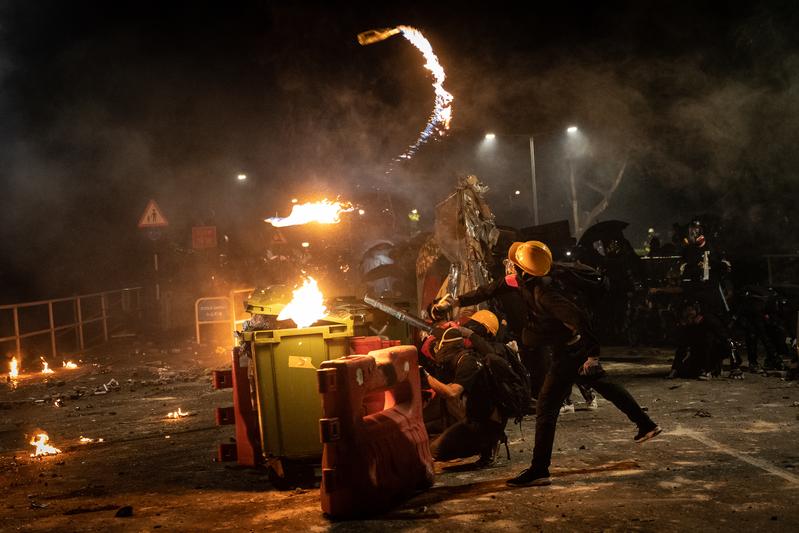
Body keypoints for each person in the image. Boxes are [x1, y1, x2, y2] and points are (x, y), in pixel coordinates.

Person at [434, 240, 661, 487]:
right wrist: (456, 301)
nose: (509, 266)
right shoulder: (522, 280)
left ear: (524, 271)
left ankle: (539, 469)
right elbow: (490, 289)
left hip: (571, 351)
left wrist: (592, 355)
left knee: (546, 409)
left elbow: (581, 320)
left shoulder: (547, 294)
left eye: (515, 263)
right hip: (566, 348)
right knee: (602, 385)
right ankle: (646, 424)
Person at [424, 325, 507, 468]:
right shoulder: (461, 360)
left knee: (435, 451)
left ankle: (488, 444)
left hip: (486, 424)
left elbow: (452, 393)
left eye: (438, 346)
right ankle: (481, 441)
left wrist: (426, 376)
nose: (437, 350)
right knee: (429, 436)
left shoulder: (467, 362)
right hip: (476, 417)